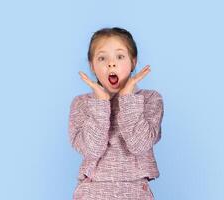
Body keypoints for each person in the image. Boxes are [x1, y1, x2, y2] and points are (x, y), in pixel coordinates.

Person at [68, 27, 164, 199]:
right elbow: (92, 149)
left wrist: (127, 98)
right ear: (92, 66)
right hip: (92, 192)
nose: (111, 64)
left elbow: (139, 145)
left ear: (133, 62)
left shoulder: (150, 99)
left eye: (120, 57)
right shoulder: (81, 103)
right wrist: (100, 103)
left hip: (134, 192)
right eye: (102, 58)